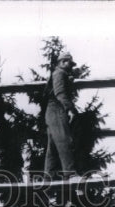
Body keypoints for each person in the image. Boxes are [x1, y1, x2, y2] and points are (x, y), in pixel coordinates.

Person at [43, 51, 80, 180]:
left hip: (52, 111)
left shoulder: (61, 74)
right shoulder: (59, 73)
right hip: (57, 109)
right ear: (63, 62)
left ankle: (48, 177)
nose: (71, 67)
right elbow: (60, 93)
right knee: (65, 140)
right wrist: (70, 109)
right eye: (70, 63)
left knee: (52, 147)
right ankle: (70, 174)